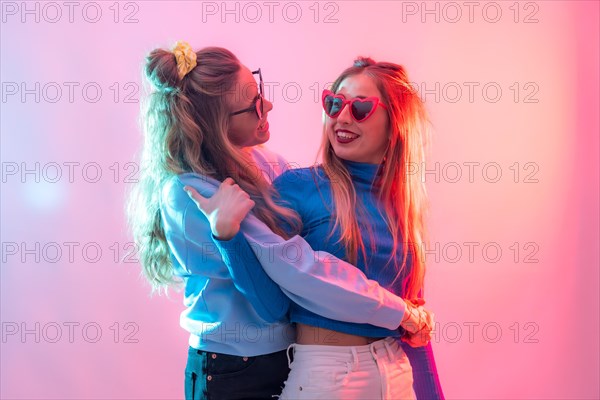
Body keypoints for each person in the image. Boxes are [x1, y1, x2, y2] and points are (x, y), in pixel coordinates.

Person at [128, 41, 438, 400]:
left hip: (289, 356)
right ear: (216, 125)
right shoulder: (193, 193)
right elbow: (286, 287)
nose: (269, 105)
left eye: (361, 108)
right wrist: (226, 236)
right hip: (229, 365)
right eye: (333, 104)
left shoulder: (265, 166)